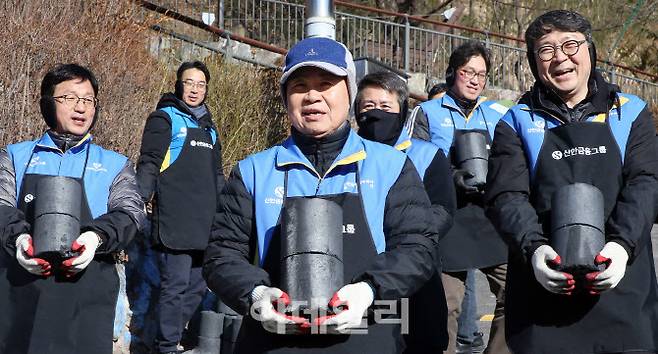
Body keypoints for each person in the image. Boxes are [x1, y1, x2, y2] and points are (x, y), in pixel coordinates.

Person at [203, 37, 440, 353]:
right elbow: (221, 255)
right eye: (299, 85)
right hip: (272, 343)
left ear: (349, 92)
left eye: (326, 83)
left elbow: (418, 246)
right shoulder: (253, 172)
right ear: (286, 97)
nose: (312, 95)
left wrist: (369, 291)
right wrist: (256, 295)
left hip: (368, 338)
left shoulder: (391, 166)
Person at [485, 10, 658, 354]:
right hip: (544, 290)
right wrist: (533, 249)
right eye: (546, 50)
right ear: (535, 63)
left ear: (589, 52)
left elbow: (646, 182)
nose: (560, 57)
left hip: (621, 288)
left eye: (570, 44)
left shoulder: (630, 111)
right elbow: (507, 196)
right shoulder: (517, 122)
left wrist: (622, 246)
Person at [0, 63, 145, 354]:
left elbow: (131, 212)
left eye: (88, 100)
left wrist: (95, 238)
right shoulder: (15, 156)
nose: (81, 107)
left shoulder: (115, 164)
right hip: (21, 293)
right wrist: (18, 239)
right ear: (48, 103)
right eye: (69, 98)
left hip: (86, 300)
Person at [409, 41, 511, 354]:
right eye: (468, 72)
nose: (475, 80)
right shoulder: (426, 112)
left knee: (518, 291)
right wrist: (450, 175)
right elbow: (411, 162)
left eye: (481, 74)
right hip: (447, 218)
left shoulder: (499, 113)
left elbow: (514, 160)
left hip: (488, 218)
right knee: (446, 304)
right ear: (453, 72)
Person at [354, 71, 454, 353]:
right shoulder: (346, 156)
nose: (376, 114)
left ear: (402, 111)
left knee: (421, 342)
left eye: (385, 107)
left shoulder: (427, 155)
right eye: (368, 107)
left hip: (416, 276)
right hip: (360, 276)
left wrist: (404, 238)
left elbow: (444, 210)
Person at [136, 61, 225, 354]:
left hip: (206, 220)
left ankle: (166, 335)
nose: (195, 90)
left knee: (199, 286)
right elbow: (149, 162)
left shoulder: (210, 127)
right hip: (175, 218)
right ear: (179, 85)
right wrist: (138, 201)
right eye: (189, 83)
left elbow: (217, 176)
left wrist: (226, 214)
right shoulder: (165, 119)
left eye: (201, 84)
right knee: (174, 286)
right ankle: (166, 345)